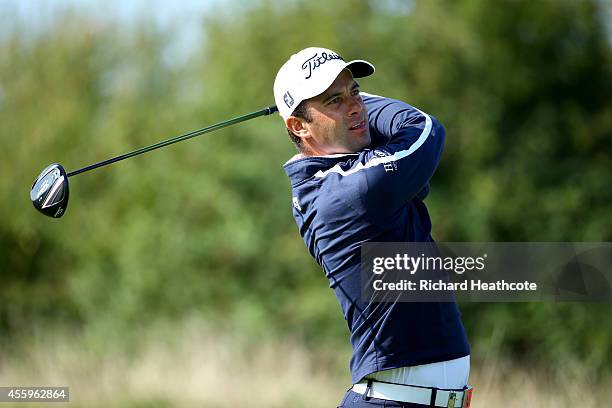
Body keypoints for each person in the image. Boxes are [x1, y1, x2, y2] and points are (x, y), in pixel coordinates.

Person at [274, 47, 473, 407]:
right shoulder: (352, 190)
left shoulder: (337, 177)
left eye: (355, 92)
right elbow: (422, 127)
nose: (356, 106)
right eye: (334, 99)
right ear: (298, 126)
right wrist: (359, 100)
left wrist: (341, 102)